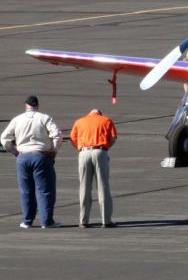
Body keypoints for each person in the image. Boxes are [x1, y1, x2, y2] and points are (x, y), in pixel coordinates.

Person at [1, 95, 62, 228]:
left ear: (26, 106)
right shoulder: (44, 117)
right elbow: (57, 135)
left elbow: (4, 138)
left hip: (23, 156)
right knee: (45, 190)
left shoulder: (17, 119)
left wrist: (15, 152)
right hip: (41, 155)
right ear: (37, 106)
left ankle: (27, 221)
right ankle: (47, 221)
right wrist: (53, 151)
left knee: (26, 190)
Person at [69, 109, 118, 228]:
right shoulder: (106, 120)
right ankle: (106, 221)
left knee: (84, 187)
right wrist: (106, 149)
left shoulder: (79, 121)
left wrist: (80, 149)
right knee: (103, 186)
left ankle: (83, 221)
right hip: (100, 151)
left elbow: (72, 139)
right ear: (99, 114)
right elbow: (113, 138)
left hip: (84, 152)